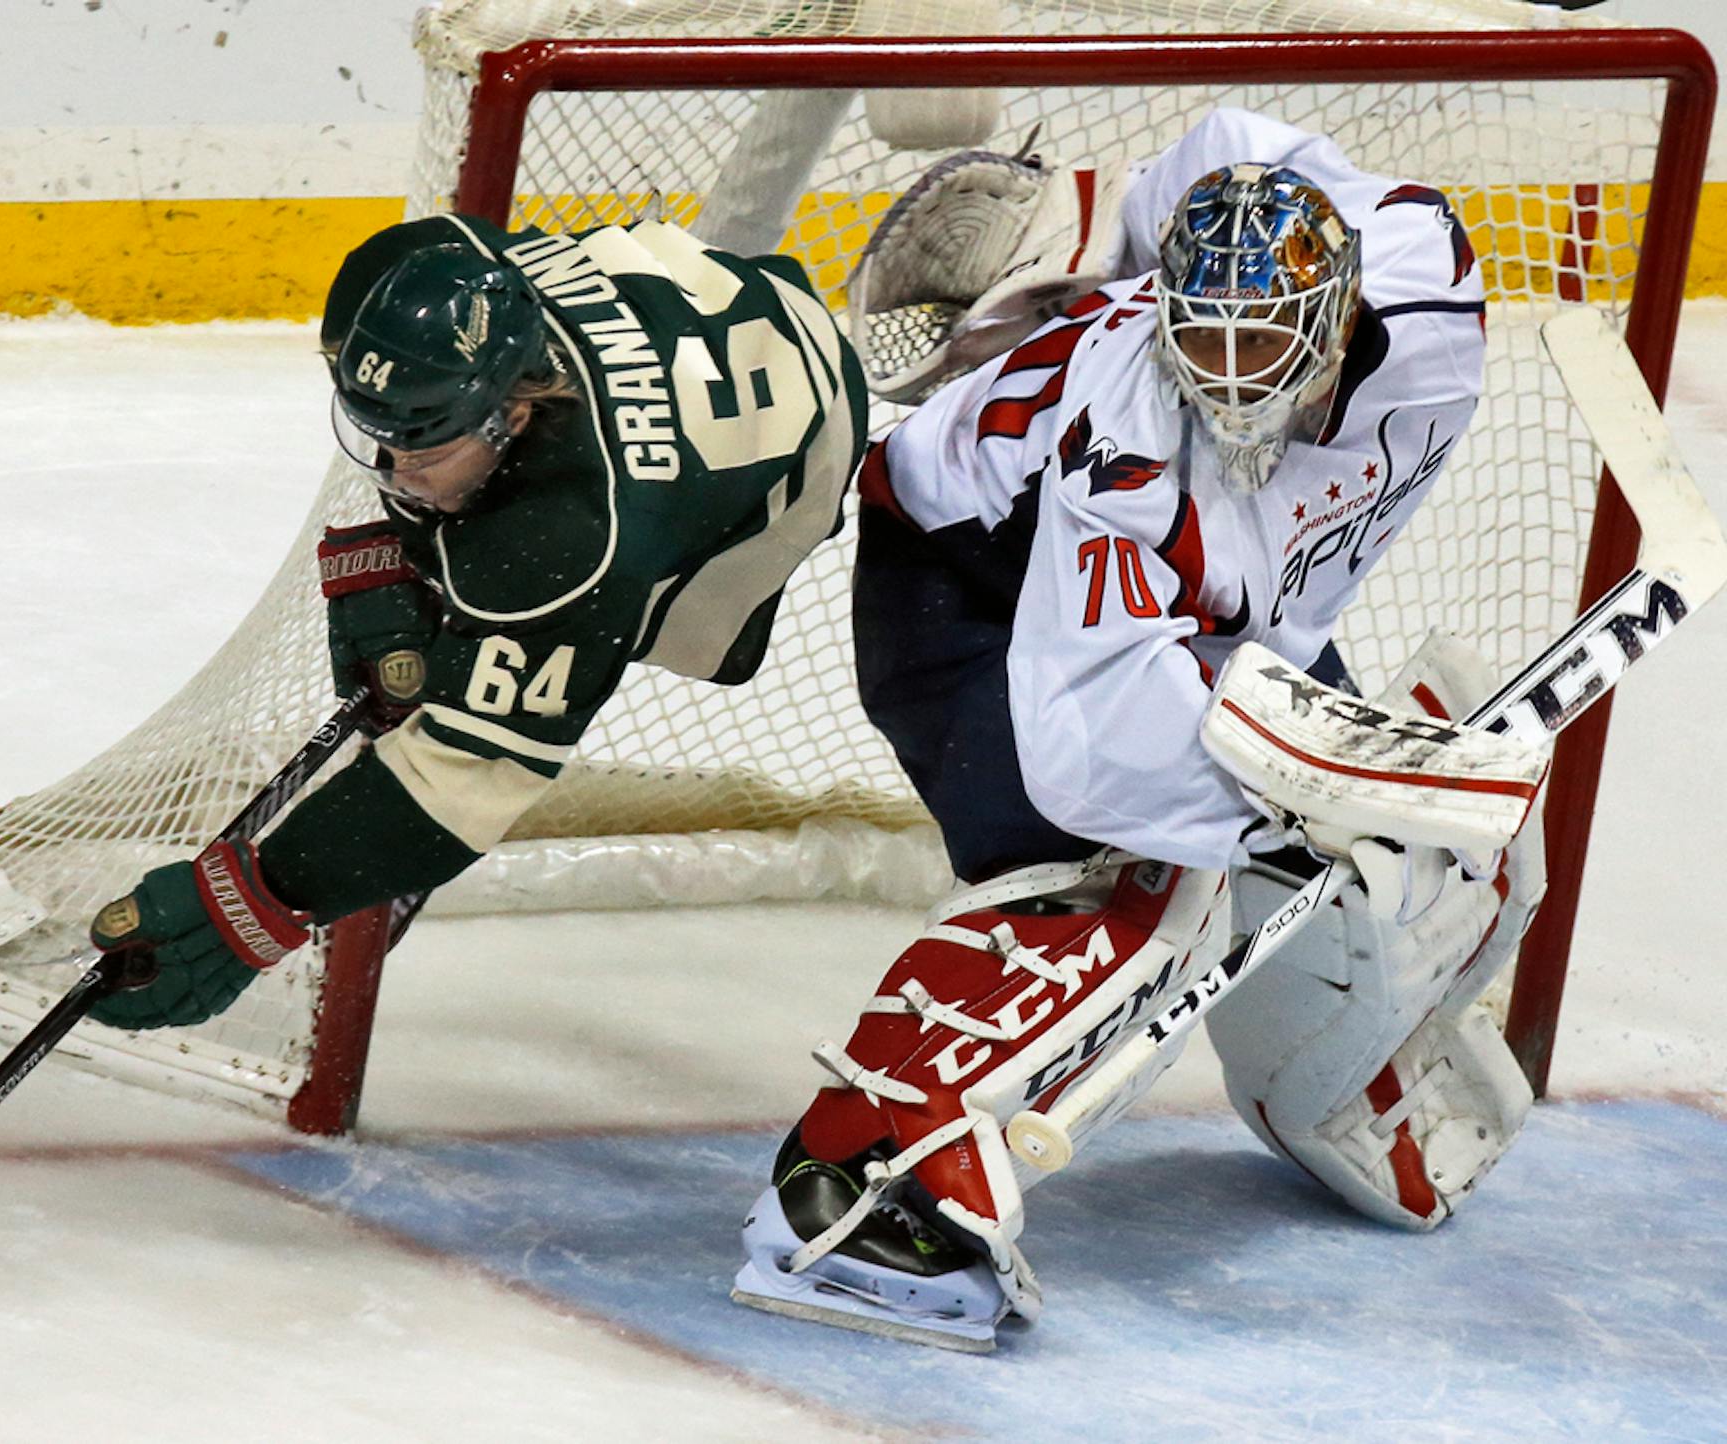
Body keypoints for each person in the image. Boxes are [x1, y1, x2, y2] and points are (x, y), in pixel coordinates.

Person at [730, 108, 1547, 1352]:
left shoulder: (1424, 275)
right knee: (1122, 883)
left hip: (1210, 610)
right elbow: (1099, 736)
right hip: (970, 602)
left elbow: (1229, 138)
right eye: (1199, 343)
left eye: (1270, 343)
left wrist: (1104, 232)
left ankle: (1335, 1076)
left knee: (1391, 864)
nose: (1232, 385)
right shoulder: (1127, 455)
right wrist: (1320, 784)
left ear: (1342, 318)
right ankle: (853, 1188)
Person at [77, 213, 867, 1035]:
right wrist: (405, 539)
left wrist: (263, 901)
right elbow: (418, 430)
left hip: (798, 427)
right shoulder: (399, 278)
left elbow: (461, 786)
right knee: (479, 569)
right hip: (688, 302)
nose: (392, 471)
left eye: (423, 451)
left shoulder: (575, 546)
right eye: (379, 441)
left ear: (513, 416)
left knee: (577, 644)